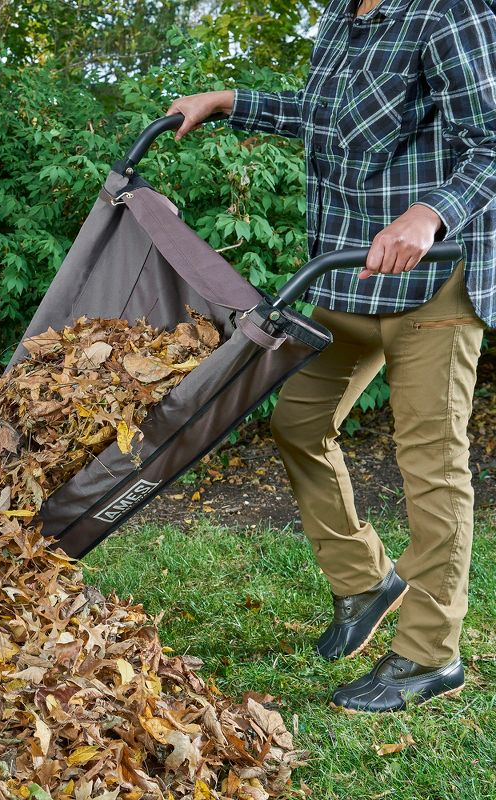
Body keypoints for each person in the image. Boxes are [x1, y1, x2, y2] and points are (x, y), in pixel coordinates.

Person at [166, 0, 496, 713]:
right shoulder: (343, 18)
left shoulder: (449, 12)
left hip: (433, 283)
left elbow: (491, 139)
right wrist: (228, 101)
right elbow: (329, 117)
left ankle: (429, 655)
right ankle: (365, 580)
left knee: (432, 466)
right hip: (348, 276)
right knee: (298, 423)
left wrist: (431, 212)